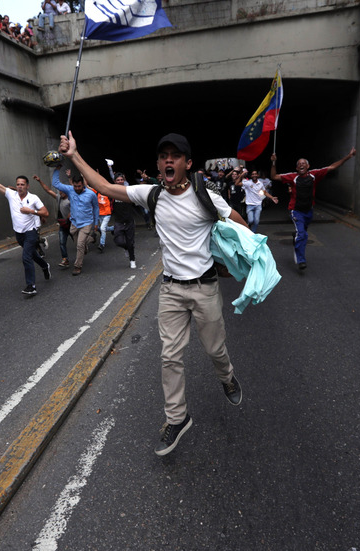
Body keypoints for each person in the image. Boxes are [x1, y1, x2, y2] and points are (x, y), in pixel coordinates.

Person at [60, 131, 249, 456]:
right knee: (169, 355)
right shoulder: (153, 195)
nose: (168, 160)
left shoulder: (206, 197)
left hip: (204, 287)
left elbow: (239, 224)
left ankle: (227, 377)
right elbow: (105, 187)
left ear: (187, 164)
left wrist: (249, 255)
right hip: (173, 290)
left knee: (215, 349)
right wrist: (74, 155)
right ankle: (177, 418)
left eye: (175, 155)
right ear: (159, 166)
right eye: (163, 156)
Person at [270, 148, 356, 270]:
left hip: (308, 211)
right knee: (302, 234)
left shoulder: (314, 175)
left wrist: (349, 156)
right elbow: (274, 176)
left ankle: (297, 238)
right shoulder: (292, 177)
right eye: (299, 164)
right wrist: (273, 162)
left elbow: (332, 167)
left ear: (308, 166)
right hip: (296, 210)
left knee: (302, 235)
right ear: (296, 168)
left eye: (303, 164)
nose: (301, 165)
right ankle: (300, 260)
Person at [0, 160, 51, 295]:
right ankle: (44, 265)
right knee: (32, 254)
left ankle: (31, 286)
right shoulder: (11, 195)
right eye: (18, 184)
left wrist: (31, 211)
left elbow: (45, 213)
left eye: (22, 185)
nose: (19, 187)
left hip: (31, 232)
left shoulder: (34, 198)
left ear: (27, 186)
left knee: (26, 257)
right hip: (19, 233)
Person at [47, 166, 99, 276]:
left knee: (79, 245)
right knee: (78, 244)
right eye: (75, 186)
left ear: (83, 184)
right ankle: (91, 239)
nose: (77, 188)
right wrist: (57, 169)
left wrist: (96, 222)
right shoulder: (70, 190)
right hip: (74, 223)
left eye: (79, 186)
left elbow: (96, 207)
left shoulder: (91, 194)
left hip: (86, 223)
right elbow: (56, 183)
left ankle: (77, 266)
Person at [110, 172, 138, 268]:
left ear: (124, 180)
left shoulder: (129, 191)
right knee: (119, 241)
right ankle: (126, 248)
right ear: (115, 181)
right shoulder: (112, 192)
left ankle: (132, 260)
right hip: (119, 221)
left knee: (130, 242)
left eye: (121, 179)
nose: (120, 181)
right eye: (118, 180)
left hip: (129, 221)